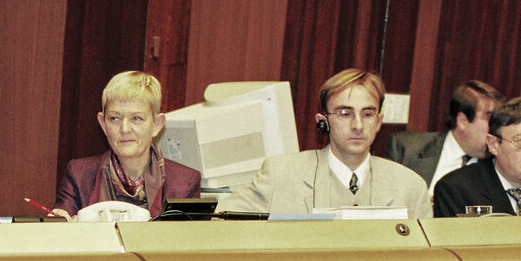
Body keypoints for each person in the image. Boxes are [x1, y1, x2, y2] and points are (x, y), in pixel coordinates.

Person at [215, 69, 431, 218]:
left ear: (378, 122)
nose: (357, 125)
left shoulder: (410, 186)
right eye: (345, 113)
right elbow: (219, 222)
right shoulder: (280, 175)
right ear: (323, 122)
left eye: (367, 114)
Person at [53, 71, 200, 218]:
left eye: (136, 118)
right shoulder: (79, 175)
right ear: (103, 124)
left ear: (157, 124)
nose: (124, 129)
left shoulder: (184, 182)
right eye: (114, 118)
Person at [386, 79, 504, 194]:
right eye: (489, 119)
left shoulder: (498, 166)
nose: (496, 128)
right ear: (462, 121)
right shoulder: (407, 149)